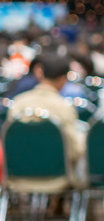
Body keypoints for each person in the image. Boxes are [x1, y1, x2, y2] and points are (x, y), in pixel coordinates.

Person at [7, 51, 85, 192]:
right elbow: (73, 151)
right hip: (56, 177)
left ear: (40, 73)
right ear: (63, 78)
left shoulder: (18, 103)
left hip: (19, 175)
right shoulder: (64, 107)